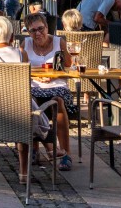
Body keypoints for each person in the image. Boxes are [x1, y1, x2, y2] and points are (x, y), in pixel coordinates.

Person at [0, 15, 62, 180]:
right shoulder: (21, 54)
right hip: (18, 117)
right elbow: (24, 81)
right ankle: (34, 161)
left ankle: (49, 149)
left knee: (26, 103)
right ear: (12, 37)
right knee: (26, 104)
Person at [21, 11, 74, 170]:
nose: (38, 33)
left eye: (41, 28)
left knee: (57, 102)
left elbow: (68, 66)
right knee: (30, 102)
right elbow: (21, 69)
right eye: (33, 30)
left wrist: (53, 75)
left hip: (56, 85)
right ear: (28, 32)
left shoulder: (59, 42)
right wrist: (37, 77)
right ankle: (36, 149)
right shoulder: (26, 44)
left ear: (47, 27)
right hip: (34, 85)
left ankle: (65, 153)